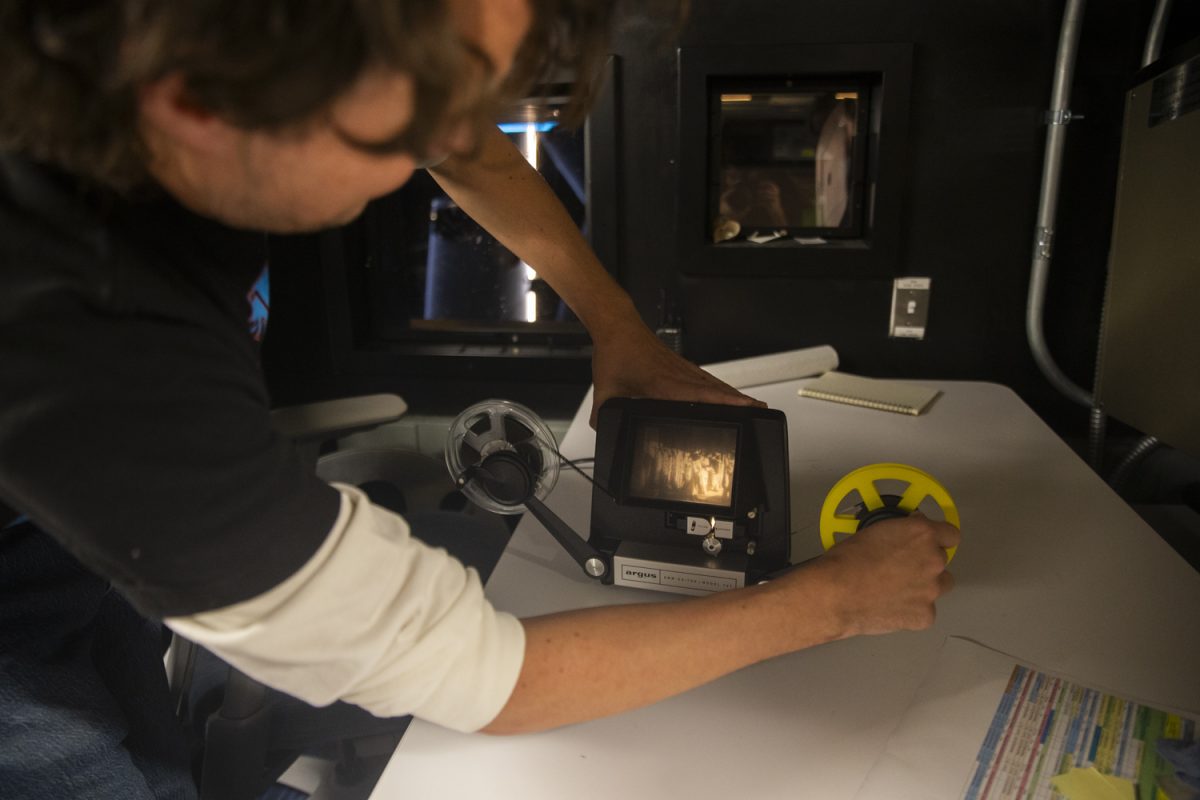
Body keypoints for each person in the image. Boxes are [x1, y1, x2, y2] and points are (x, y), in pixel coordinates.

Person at [0, 1, 961, 797]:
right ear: (199, 102)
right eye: (420, 114)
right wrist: (834, 601)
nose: (448, 139)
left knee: (150, 735)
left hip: (82, 551)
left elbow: (472, 153)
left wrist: (617, 331)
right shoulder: (85, 342)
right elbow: (488, 679)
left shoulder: (184, 75)